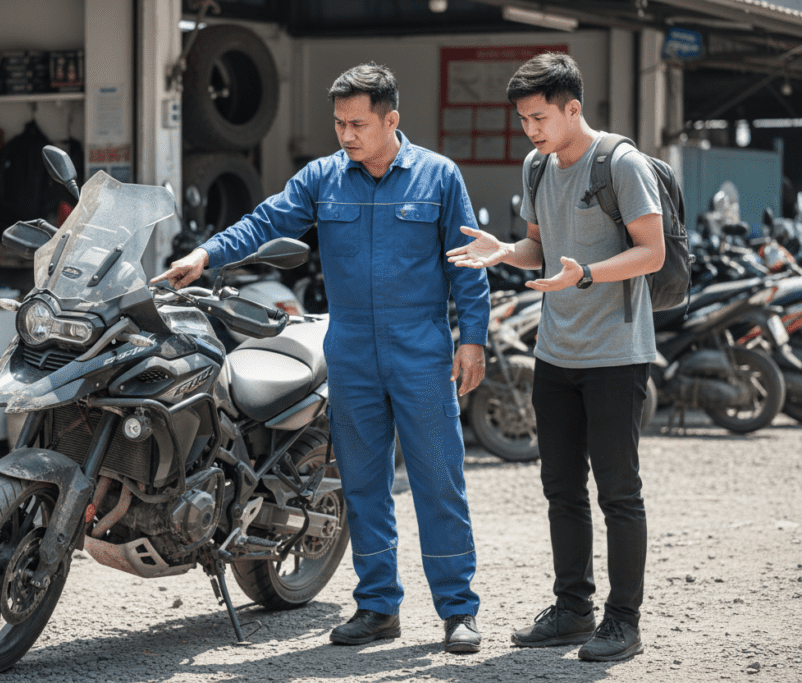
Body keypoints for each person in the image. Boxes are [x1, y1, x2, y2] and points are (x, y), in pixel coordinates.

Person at [153, 63, 490, 653]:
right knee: (361, 484)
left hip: (420, 349)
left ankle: (458, 611)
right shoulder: (323, 178)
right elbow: (266, 220)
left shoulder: (438, 177)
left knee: (440, 482)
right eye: (339, 123)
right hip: (352, 351)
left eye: (358, 123)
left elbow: (468, 264)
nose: (347, 135)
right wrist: (206, 255)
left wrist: (473, 340)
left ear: (392, 119)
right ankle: (378, 606)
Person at [447, 52, 663, 662]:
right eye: (523, 120)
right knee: (560, 487)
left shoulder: (619, 163)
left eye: (540, 117)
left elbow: (651, 253)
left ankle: (624, 621)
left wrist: (587, 275)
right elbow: (540, 249)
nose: (531, 130)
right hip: (556, 351)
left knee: (618, 490)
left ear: (573, 108)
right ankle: (574, 610)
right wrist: (502, 250)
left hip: (617, 354)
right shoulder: (537, 167)